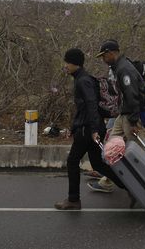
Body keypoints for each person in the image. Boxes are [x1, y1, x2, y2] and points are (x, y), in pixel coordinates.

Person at [54, 48, 123, 210]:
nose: (65, 66)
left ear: (73, 63)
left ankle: (73, 200)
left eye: (67, 62)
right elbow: (83, 108)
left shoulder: (83, 80)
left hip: (87, 130)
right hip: (89, 126)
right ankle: (130, 187)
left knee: (72, 161)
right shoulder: (82, 78)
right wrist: (73, 127)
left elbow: (92, 105)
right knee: (99, 165)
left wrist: (93, 130)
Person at [87, 39, 145, 193]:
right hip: (122, 115)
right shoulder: (118, 67)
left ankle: (144, 183)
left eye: (104, 57)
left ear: (110, 53)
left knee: (133, 151)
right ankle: (109, 180)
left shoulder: (124, 69)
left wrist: (133, 121)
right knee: (110, 149)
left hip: (129, 116)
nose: (103, 60)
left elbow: (132, 96)